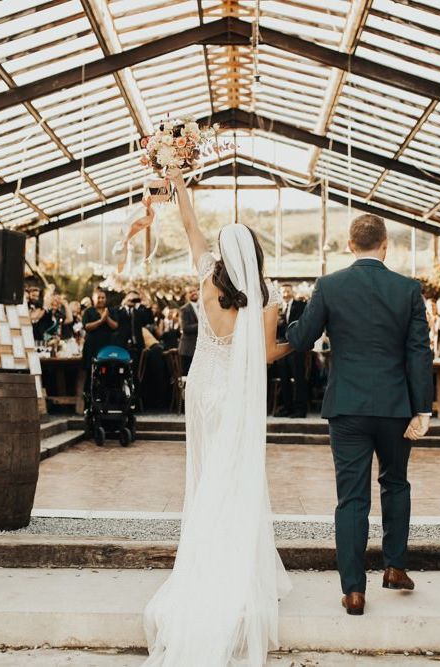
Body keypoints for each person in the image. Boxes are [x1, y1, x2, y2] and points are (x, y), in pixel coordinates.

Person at [143, 170, 292, 666]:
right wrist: (300, 342)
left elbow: (190, 228)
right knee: (236, 476)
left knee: (206, 476)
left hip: (203, 388)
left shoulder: (208, 276)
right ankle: (236, 564)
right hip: (237, 393)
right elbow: (268, 354)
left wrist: (180, 185)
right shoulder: (268, 297)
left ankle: (203, 563)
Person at [286, 213, 433, 616]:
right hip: (395, 408)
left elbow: (301, 338)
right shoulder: (407, 289)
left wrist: (290, 316)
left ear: (350, 246)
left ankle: (354, 591)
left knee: (351, 499)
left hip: (347, 407)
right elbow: (420, 351)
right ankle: (396, 567)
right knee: (396, 484)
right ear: (385, 246)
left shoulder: (330, 285)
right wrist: (422, 408)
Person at [273, 283, 308, 417]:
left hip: (295, 347)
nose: (285, 294)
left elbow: (302, 324)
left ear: (292, 292)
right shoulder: (278, 308)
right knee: (284, 378)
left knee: (299, 378)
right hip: (281, 346)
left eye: (287, 291)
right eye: (283, 292)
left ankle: (300, 409)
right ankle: (287, 407)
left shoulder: (300, 306)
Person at [114, 290, 152, 379]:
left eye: (135, 299)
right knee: (121, 371)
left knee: (137, 373)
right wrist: (123, 304)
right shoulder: (119, 310)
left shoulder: (139, 312)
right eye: (131, 298)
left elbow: (149, 320)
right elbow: (115, 321)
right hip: (122, 345)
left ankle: (137, 391)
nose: (133, 301)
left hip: (137, 346)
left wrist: (147, 305)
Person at [81, 289, 119, 371]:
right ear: (93, 299)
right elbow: (87, 326)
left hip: (107, 345)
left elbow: (115, 326)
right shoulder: (88, 311)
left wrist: (107, 318)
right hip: (92, 345)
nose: (101, 300)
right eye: (98, 298)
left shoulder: (111, 311)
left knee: (108, 371)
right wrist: (100, 321)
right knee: (90, 372)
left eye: (103, 298)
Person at [178, 285, 199, 376]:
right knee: (189, 376)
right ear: (186, 295)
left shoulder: (204, 306)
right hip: (188, 349)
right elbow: (185, 328)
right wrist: (202, 325)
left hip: (199, 347)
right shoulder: (184, 309)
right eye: (190, 292)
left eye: (194, 290)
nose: (193, 293)